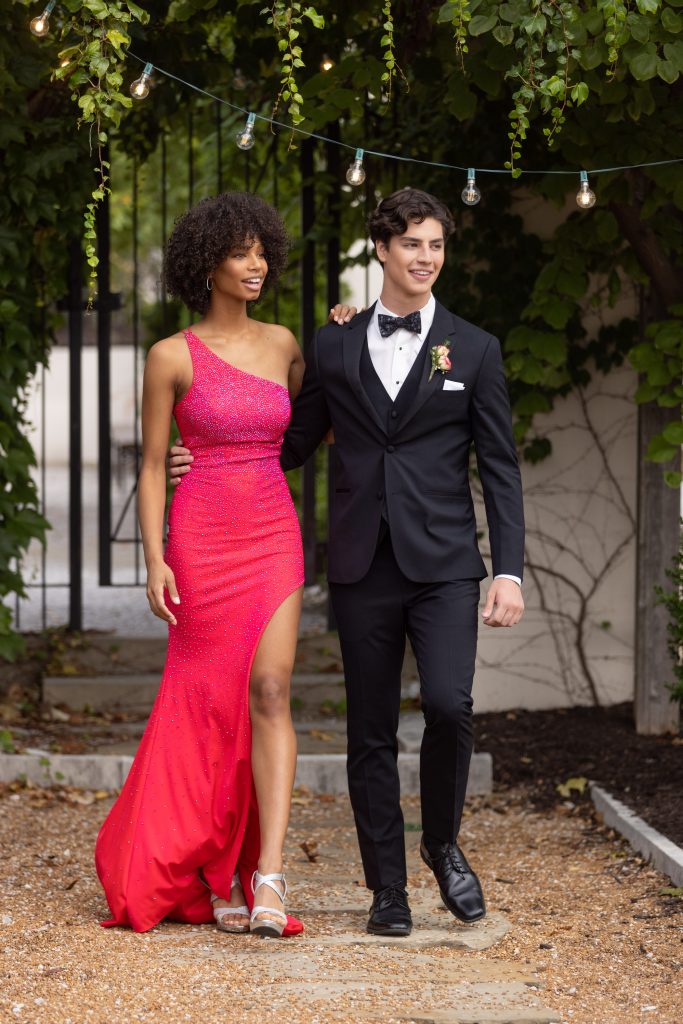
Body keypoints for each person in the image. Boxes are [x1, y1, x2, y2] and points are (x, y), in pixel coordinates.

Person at [170, 187, 525, 937]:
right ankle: (386, 890)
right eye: (411, 245)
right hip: (362, 564)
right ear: (382, 250)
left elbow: (499, 467)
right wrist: (202, 453)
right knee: (368, 731)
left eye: (435, 245)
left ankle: (440, 843)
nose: (425, 257)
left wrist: (508, 570)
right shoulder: (332, 344)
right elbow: (289, 441)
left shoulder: (475, 349)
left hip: (446, 564)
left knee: (448, 707)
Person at [95, 190, 354, 938]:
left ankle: (266, 879)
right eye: (241, 252)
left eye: (262, 251)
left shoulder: (284, 345)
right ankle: (198, 862)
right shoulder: (169, 356)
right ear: (206, 263)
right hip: (200, 540)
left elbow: (320, 421)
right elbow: (150, 466)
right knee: (208, 705)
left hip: (272, 533)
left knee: (271, 690)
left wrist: (342, 329)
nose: (257, 264)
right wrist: (154, 559)